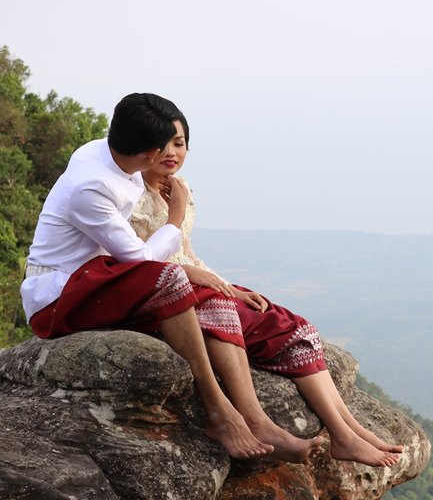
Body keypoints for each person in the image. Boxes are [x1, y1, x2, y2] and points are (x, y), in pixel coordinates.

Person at [20, 93, 323, 463]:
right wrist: (175, 217)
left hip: (99, 275)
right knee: (170, 279)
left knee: (212, 298)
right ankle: (219, 412)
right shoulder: (92, 185)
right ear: (148, 155)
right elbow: (140, 260)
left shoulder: (103, 151)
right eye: (162, 147)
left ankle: (257, 419)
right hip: (60, 293)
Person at [129, 114, 404, 467]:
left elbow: (188, 249)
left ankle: (346, 431)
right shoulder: (131, 196)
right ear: (144, 148)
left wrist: (229, 287)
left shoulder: (180, 188)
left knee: (294, 327)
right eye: (162, 144)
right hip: (167, 291)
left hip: (199, 281)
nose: (171, 152)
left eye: (179, 143)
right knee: (221, 310)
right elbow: (138, 262)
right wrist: (187, 242)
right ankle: (260, 422)